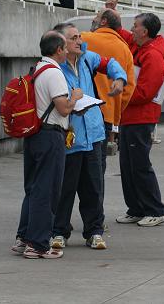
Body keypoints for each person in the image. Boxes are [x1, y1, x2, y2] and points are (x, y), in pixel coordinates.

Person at [50, 23, 127, 251]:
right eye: (74, 38)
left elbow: (111, 63)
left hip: (93, 134)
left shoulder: (87, 59)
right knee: (65, 187)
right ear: (61, 43)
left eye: (79, 37)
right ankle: (59, 231)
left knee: (93, 187)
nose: (79, 41)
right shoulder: (54, 68)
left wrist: (119, 78)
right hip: (68, 137)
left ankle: (94, 231)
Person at [11, 31, 83, 259]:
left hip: (34, 134)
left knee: (33, 188)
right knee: (47, 190)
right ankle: (39, 244)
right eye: (65, 47)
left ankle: (24, 237)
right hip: (51, 135)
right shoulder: (54, 73)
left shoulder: (37, 68)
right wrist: (76, 97)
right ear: (59, 50)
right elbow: (63, 108)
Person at [116, 13, 164, 227]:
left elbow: (146, 92)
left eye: (135, 26)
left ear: (145, 31)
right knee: (128, 165)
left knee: (139, 165)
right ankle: (136, 208)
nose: (132, 29)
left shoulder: (152, 55)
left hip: (140, 117)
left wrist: (119, 96)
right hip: (130, 116)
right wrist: (112, 14)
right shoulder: (139, 46)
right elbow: (121, 34)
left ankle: (155, 209)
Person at [82, 2, 136, 180]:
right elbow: (129, 88)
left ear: (103, 21)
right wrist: (116, 108)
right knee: (97, 167)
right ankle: (95, 206)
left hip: (76, 111)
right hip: (105, 114)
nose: (93, 18)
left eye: (96, 16)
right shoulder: (124, 49)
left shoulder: (83, 39)